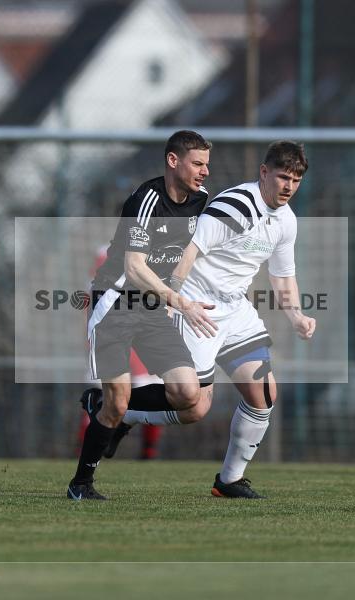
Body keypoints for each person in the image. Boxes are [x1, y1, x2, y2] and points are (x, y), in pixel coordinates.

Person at [106, 141, 315, 499]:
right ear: (264, 172)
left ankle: (229, 480)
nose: (288, 187)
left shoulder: (286, 220)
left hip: (236, 311)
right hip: (198, 306)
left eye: (295, 180)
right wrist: (175, 300)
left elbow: (283, 275)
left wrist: (296, 314)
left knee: (264, 393)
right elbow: (189, 251)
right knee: (193, 407)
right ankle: (121, 411)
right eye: (282, 177)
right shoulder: (234, 206)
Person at [68, 130, 214, 500]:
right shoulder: (146, 199)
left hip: (151, 307)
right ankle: (80, 484)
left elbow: (187, 253)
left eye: (206, 164)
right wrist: (179, 302)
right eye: (197, 163)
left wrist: (174, 292)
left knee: (187, 394)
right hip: (114, 304)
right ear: (173, 161)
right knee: (117, 402)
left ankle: (105, 407)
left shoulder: (201, 201)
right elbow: (133, 268)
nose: (204, 172)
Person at [76, 245, 165, 460]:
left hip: (142, 332)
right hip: (113, 328)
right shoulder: (106, 252)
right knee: (107, 395)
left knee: (150, 391)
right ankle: (87, 451)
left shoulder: (159, 249)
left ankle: (148, 452)